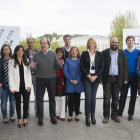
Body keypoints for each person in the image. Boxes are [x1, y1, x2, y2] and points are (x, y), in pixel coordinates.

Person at [30, 38, 64, 126]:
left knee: (52, 98)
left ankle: (52, 117)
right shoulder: (36, 55)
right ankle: (40, 118)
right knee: (39, 98)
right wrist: (32, 67)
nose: (43, 45)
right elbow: (34, 68)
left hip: (51, 78)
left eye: (45, 43)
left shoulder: (53, 54)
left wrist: (60, 64)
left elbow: (58, 66)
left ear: (48, 45)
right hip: (39, 79)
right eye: (41, 43)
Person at [102, 37, 128, 123]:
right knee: (106, 98)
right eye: (113, 42)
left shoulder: (122, 53)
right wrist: (101, 79)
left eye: (116, 43)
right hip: (107, 78)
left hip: (118, 78)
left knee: (116, 98)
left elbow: (125, 66)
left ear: (118, 44)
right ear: (110, 43)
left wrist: (125, 78)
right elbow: (101, 67)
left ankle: (114, 115)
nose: (114, 44)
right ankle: (106, 116)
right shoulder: (104, 53)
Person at [80, 38, 104, 126]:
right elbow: (81, 66)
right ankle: (87, 116)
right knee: (88, 96)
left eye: (92, 43)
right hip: (87, 78)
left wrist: (95, 76)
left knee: (93, 97)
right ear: (88, 44)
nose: (91, 44)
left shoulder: (99, 54)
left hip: (96, 78)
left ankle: (92, 115)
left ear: (95, 44)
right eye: (89, 43)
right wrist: (89, 76)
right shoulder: (84, 53)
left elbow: (102, 67)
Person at [8, 45, 32, 128]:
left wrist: (29, 85)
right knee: (18, 103)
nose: (20, 52)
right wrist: (12, 87)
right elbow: (10, 75)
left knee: (26, 102)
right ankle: (19, 118)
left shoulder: (26, 60)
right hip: (16, 86)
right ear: (16, 52)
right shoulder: (11, 61)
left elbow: (29, 74)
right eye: (18, 50)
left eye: (22, 50)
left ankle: (25, 118)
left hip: (25, 86)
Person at [118, 36, 139, 121]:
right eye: (129, 40)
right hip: (125, 77)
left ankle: (130, 114)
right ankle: (120, 111)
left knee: (133, 96)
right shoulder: (123, 52)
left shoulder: (138, 52)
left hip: (135, 77)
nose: (130, 42)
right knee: (123, 95)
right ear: (126, 42)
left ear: (134, 42)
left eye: (132, 40)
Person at [63, 46, 84, 122]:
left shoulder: (81, 60)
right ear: (70, 52)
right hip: (70, 83)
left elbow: (82, 71)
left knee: (77, 99)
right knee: (70, 100)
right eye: (72, 50)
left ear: (78, 52)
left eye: (75, 50)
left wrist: (77, 80)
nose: (74, 52)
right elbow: (65, 71)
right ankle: (70, 115)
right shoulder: (67, 60)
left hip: (78, 83)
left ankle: (77, 114)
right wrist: (71, 79)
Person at [0, 44, 14, 123]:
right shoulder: (0, 61)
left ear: (9, 50)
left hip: (12, 86)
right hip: (3, 85)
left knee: (12, 102)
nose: (6, 51)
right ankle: (5, 116)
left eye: (7, 49)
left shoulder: (13, 60)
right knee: (3, 102)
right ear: (2, 51)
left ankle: (12, 115)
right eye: (4, 49)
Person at [25, 37, 38, 117]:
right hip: (27, 76)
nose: (30, 44)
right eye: (29, 42)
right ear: (27, 43)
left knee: (37, 94)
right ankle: (27, 110)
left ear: (34, 43)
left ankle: (37, 111)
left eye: (31, 42)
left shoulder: (38, 52)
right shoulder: (24, 52)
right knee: (27, 95)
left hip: (36, 76)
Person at [55, 48, 65, 121]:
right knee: (55, 98)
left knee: (62, 98)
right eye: (58, 52)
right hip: (55, 80)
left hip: (63, 81)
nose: (60, 54)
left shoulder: (65, 61)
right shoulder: (54, 61)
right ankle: (57, 114)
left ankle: (62, 115)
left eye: (61, 52)